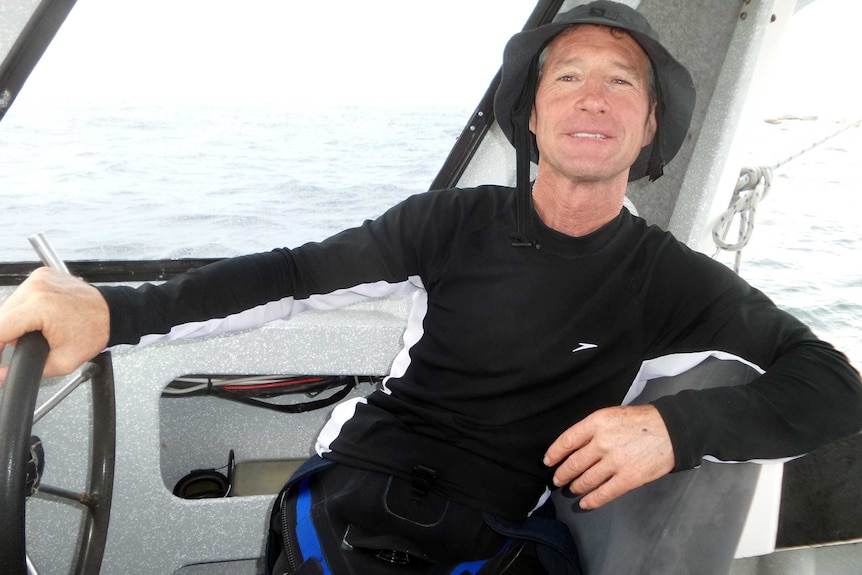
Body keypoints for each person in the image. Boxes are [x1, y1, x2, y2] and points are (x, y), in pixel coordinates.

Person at [2, 2, 861, 573]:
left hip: (492, 537)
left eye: (621, 81)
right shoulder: (448, 222)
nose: (591, 97)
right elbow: (292, 276)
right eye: (567, 75)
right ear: (531, 114)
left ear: (648, 127)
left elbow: (833, 384)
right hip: (348, 499)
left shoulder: (671, 279)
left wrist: (677, 427)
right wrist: (113, 309)